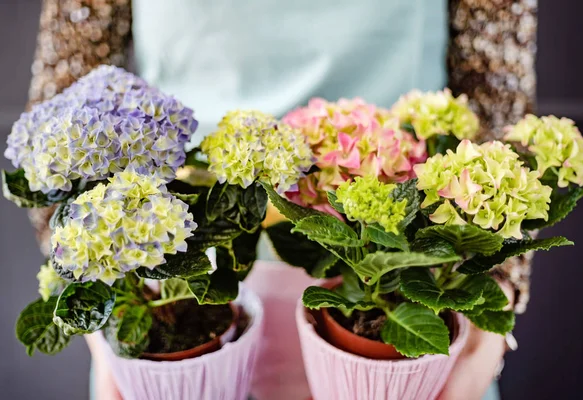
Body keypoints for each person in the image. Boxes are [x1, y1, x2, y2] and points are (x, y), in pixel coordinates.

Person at [25, 1, 538, 399]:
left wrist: (490, 323)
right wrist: (98, 306)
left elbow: (497, 98)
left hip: (407, 301)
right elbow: (64, 103)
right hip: (175, 303)